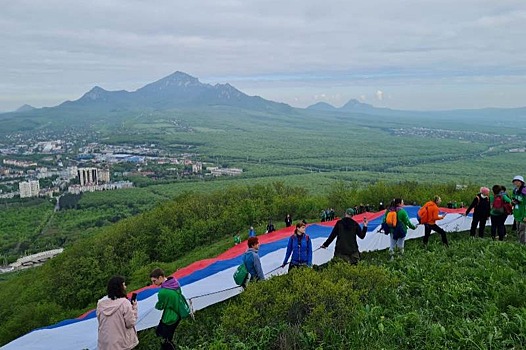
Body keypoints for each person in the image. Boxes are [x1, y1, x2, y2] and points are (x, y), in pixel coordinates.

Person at [97, 275, 138, 350]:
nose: (125, 287)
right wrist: (134, 308)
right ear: (120, 287)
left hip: (105, 343)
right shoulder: (124, 303)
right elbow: (130, 323)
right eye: (124, 285)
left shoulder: (100, 303)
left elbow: (100, 320)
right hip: (121, 344)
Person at [150, 268, 183, 350]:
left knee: (164, 338)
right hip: (178, 314)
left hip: (169, 317)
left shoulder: (163, 292)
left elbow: (160, 306)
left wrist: (157, 305)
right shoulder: (175, 283)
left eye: (154, 281)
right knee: (167, 336)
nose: (153, 283)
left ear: (160, 277)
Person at [511, 175, 526, 244]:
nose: (516, 183)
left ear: (521, 182)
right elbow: (513, 199)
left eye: (517, 181)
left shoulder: (524, 191)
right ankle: (520, 242)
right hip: (517, 213)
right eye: (515, 181)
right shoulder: (515, 190)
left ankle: (522, 244)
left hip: (523, 213)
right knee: (518, 229)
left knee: (522, 229)